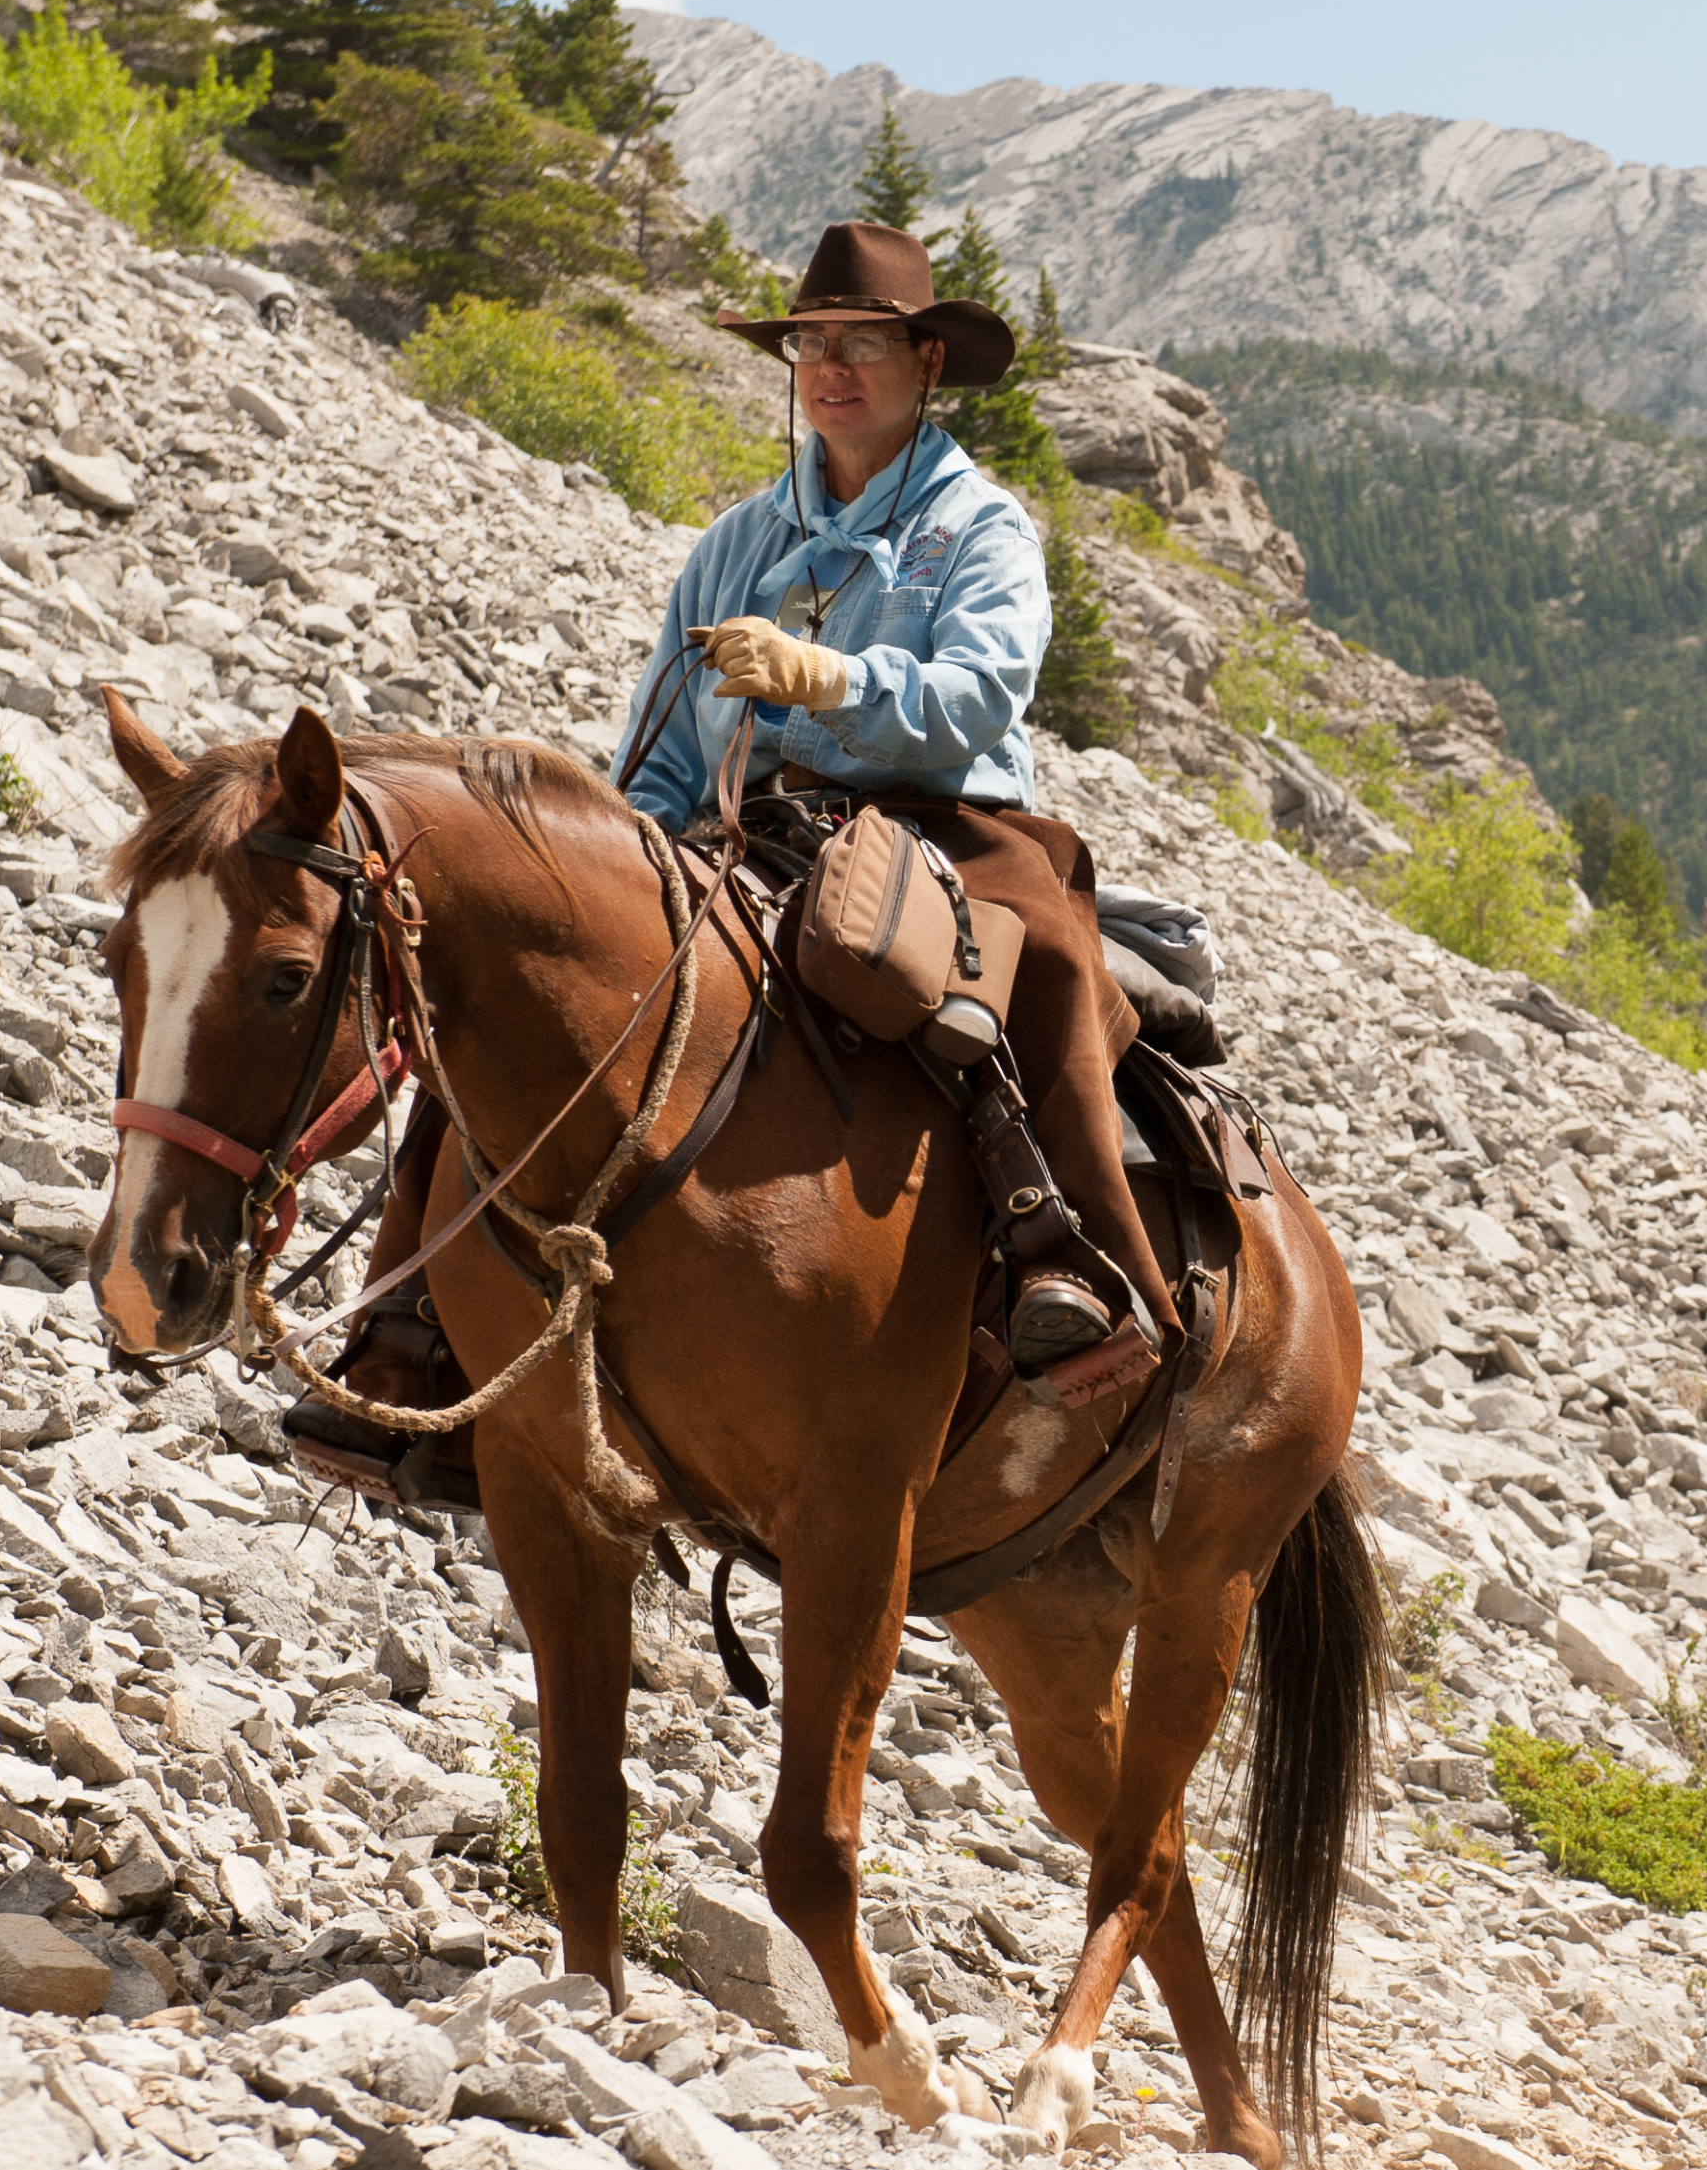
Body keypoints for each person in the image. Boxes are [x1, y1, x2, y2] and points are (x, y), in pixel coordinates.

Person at [281, 222, 1167, 1506]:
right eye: (811, 344)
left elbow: (978, 700)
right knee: (515, 985)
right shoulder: (739, 540)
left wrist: (831, 678)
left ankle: (1070, 1261)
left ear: (926, 361)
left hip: (938, 825)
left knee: (1032, 962)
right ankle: (412, 1327)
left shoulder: (983, 529)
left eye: (861, 344)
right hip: (740, 836)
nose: (830, 367)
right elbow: (655, 746)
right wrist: (620, 852)